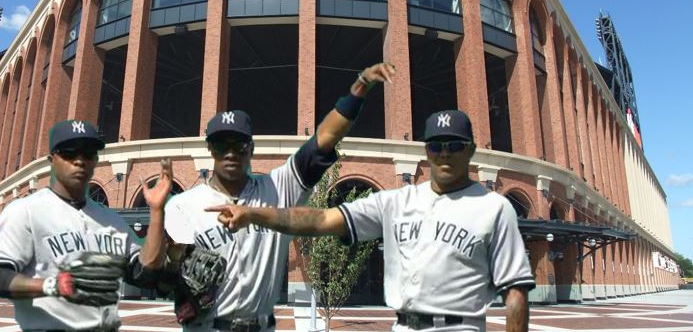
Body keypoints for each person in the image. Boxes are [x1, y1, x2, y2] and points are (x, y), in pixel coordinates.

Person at [210, 109, 534, 332]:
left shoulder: (494, 208)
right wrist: (254, 213)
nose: (445, 153)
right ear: (426, 151)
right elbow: (322, 219)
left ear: (471, 149)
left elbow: (515, 292)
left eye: (454, 145)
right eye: (436, 145)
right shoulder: (397, 201)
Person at [163, 62, 396, 331]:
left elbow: (325, 139)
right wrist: (173, 268)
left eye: (239, 145)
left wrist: (360, 86)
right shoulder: (183, 205)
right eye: (221, 145)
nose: (230, 153)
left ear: (251, 148)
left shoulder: (277, 188)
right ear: (210, 149)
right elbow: (159, 274)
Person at [0, 119, 174, 331]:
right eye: (69, 152)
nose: (79, 160)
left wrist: (157, 211)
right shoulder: (25, 210)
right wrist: (52, 285)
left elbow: (144, 274)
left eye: (88, 153)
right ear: (52, 159)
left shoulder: (112, 221)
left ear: (95, 160)